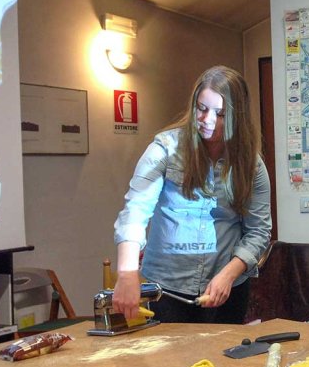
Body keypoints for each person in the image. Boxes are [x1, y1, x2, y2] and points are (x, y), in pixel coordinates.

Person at [112, 65, 271, 323]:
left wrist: (229, 274)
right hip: (166, 291)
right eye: (202, 108)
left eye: (220, 114)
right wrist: (127, 273)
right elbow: (135, 211)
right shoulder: (164, 149)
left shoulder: (251, 165)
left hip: (227, 290)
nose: (207, 120)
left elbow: (259, 231)